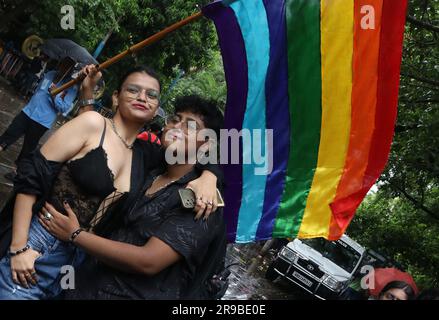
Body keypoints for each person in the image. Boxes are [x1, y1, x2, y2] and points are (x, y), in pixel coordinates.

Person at [0, 66, 219, 300]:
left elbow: (193, 154)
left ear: (156, 109)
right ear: (116, 97)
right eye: (133, 90)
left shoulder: (145, 156)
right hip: (38, 249)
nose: (142, 97)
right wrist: (19, 247)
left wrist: (210, 175)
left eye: (151, 95)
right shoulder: (92, 123)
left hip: (77, 266)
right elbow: (31, 178)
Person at [0, 64, 78, 180]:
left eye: (67, 65)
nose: (63, 67)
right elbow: (38, 90)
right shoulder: (50, 73)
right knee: (9, 133)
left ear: (70, 69)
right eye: (63, 63)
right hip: (28, 112)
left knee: (28, 148)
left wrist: (55, 95)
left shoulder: (71, 87)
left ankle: (17, 172)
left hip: (42, 121)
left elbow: (64, 108)